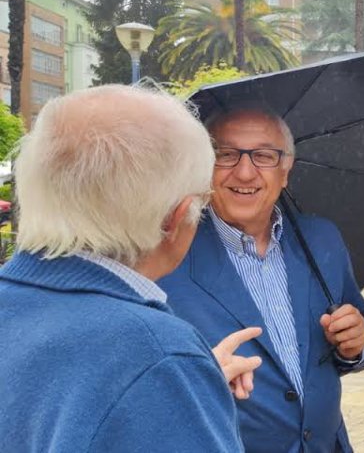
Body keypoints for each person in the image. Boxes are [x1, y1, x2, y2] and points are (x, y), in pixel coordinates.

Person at [0, 85, 262, 451]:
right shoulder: (155, 354)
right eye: (203, 202)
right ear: (174, 219)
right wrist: (168, 378)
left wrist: (182, 389)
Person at [159, 108, 364, 453]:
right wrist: (199, 380)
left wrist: (355, 345)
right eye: (226, 155)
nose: (245, 172)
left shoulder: (321, 238)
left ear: (285, 170)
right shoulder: (167, 255)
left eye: (264, 156)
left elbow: (363, 331)